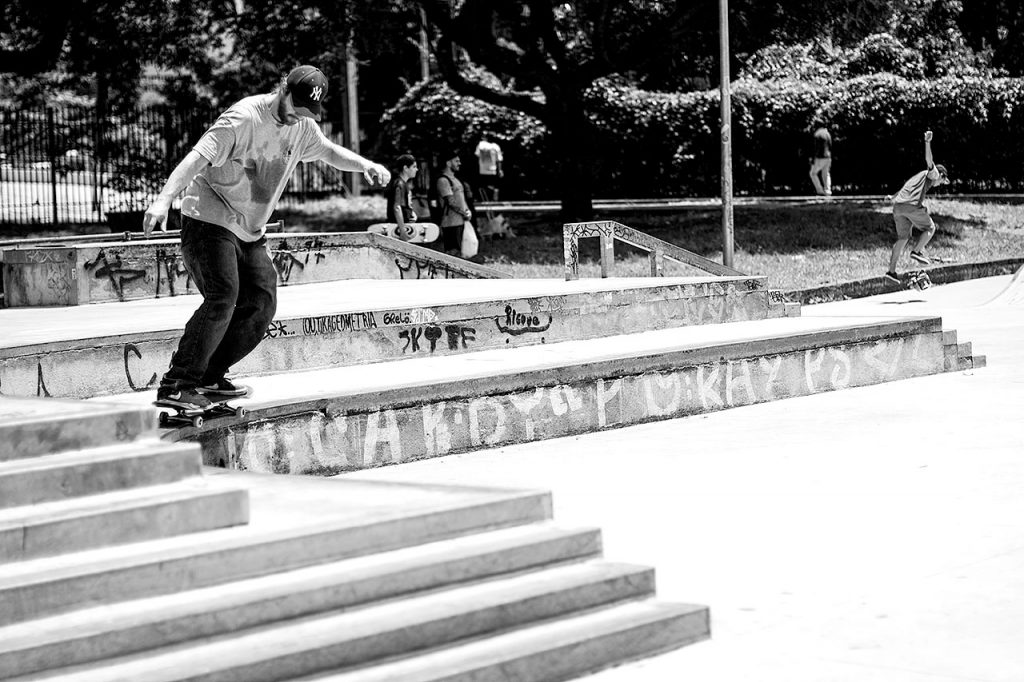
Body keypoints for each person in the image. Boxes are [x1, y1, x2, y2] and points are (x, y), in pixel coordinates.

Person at [142, 64, 391, 411]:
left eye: (306, 114)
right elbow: (197, 158)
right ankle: (177, 383)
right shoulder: (243, 119)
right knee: (223, 295)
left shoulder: (303, 126)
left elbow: (330, 152)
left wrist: (367, 165)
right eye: (295, 109)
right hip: (208, 220)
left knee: (261, 303)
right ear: (284, 90)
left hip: (249, 230)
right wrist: (164, 199)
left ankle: (210, 376)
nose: (297, 119)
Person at [884, 130, 949, 284]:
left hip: (898, 207)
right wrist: (927, 142)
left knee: (903, 238)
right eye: (942, 181)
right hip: (911, 206)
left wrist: (891, 197)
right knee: (930, 228)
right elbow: (928, 159)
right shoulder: (932, 174)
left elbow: (904, 189)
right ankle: (917, 251)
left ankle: (891, 272)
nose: (939, 184)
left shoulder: (918, 177)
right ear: (941, 176)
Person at [436, 149, 472, 256]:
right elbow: (450, 202)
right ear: (448, 163)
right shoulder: (443, 180)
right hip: (450, 223)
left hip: (460, 221)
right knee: (452, 253)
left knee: (461, 253)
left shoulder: (455, 179)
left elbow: (461, 198)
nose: (459, 163)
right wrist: (464, 212)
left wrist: (467, 211)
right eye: (456, 161)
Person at [385, 153, 419, 241]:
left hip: (406, 226)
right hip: (397, 229)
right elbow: (397, 207)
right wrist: (402, 231)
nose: (417, 169)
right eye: (414, 167)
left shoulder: (404, 184)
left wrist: (412, 213)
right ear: (405, 168)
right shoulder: (399, 184)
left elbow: (405, 205)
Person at [474, 136, 503, 201]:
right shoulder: (496, 146)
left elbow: (476, 156)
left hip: (482, 170)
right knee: (493, 186)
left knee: (483, 186)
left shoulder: (480, 145)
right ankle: (493, 200)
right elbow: (499, 160)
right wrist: (500, 170)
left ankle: (483, 199)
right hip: (492, 170)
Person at [809, 124, 832, 196]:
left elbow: (815, 148)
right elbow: (830, 145)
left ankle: (820, 190)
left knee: (813, 173)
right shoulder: (827, 134)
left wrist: (813, 158)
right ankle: (827, 190)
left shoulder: (817, 134)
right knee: (826, 173)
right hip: (828, 157)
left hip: (820, 157)